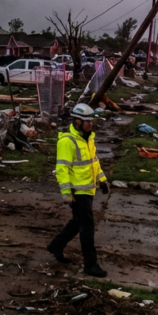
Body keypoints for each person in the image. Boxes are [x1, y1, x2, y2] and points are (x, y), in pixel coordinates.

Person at [47, 103, 110, 277]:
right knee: (87, 226)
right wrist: (66, 193)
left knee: (78, 221)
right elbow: (62, 169)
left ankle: (56, 246)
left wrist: (102, 179)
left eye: (91, 121)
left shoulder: (88, 139)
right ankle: (90, 264)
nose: (90, 124)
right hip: (77, 191)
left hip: (88, 189)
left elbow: (93, 162)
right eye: (86, 121)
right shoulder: (67, 142)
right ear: (76, 121)